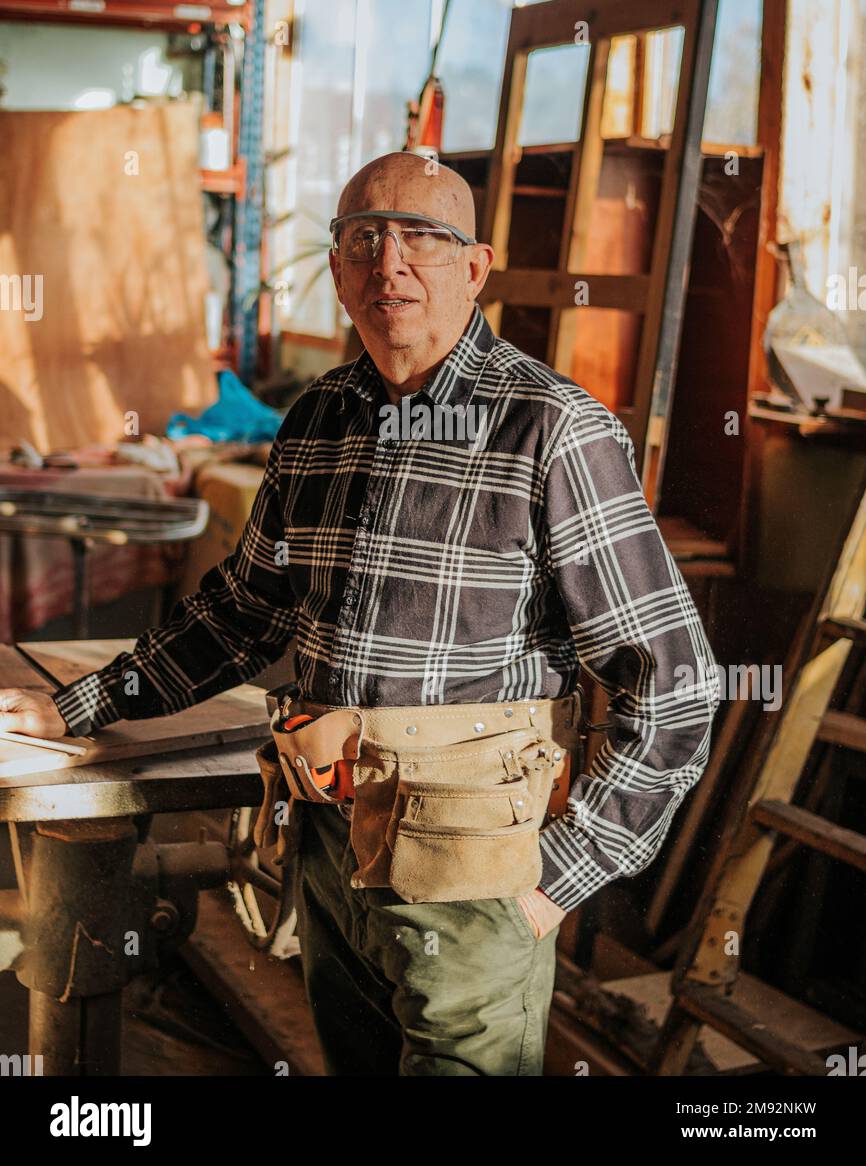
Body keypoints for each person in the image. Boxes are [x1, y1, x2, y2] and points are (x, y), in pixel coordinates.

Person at [0, 151, 720, 1076]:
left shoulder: (552, 429)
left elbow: (674, 681)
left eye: (424, 237)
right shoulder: (319, 418)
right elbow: (241, 611)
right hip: (330, 847)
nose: (390, 263)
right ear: (337, 273)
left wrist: (560, 873)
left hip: (476, 876)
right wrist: (80, 704)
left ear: (476, 266)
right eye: (361, 238)